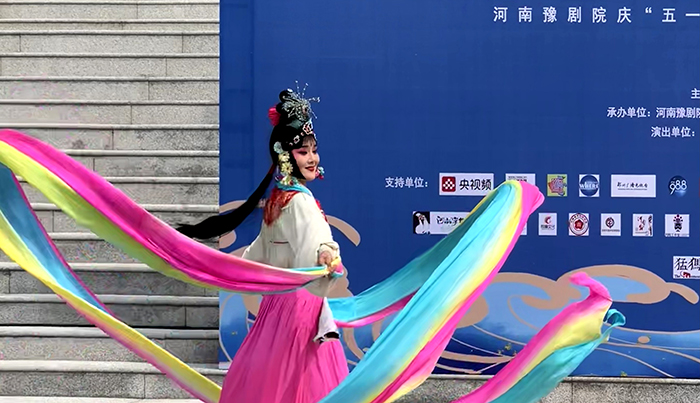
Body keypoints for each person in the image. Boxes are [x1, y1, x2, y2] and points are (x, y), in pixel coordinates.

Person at [176, 87, 349, 403]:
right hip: (302, 308)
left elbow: (259, 253)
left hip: (278, 307)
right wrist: (326, 257)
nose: (313, 158)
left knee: (273, 382)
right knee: (303, 384)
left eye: (313, 150)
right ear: (286, 156)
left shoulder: (279, 199)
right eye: (303, 152)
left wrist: (231, 267)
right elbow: (313, 249)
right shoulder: (300, 202)